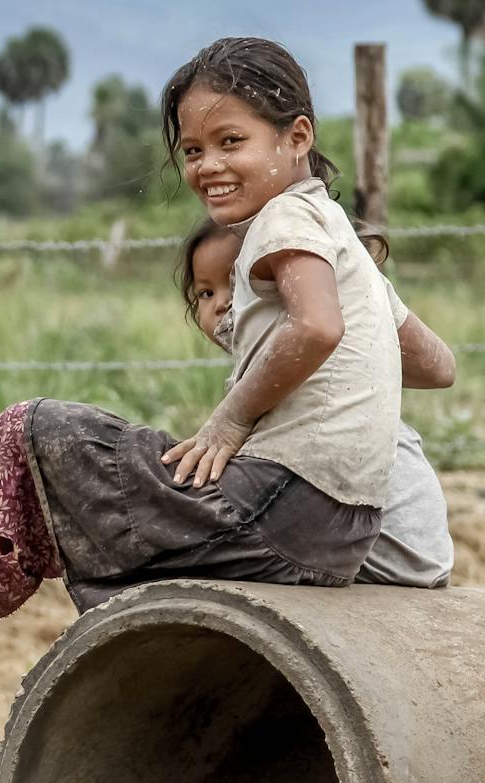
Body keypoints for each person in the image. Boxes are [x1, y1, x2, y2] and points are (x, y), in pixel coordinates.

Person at [0, 36, 407, 726]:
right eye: (193, 151)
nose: (209, 166)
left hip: (280, 510)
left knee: (28, 432)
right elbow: (437, 362)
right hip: (339, 533)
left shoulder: (286, 217)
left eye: (231, 141)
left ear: (297, 137)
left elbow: (316, 329)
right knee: (98, 468)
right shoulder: (343, 241)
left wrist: (229, 421)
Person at [180, 216, 456, 588]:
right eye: (205, 294)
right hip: (417, 559)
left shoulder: (307, 370)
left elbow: (441, 368)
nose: (220, 305)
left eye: (236, 284)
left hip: (393, 562)